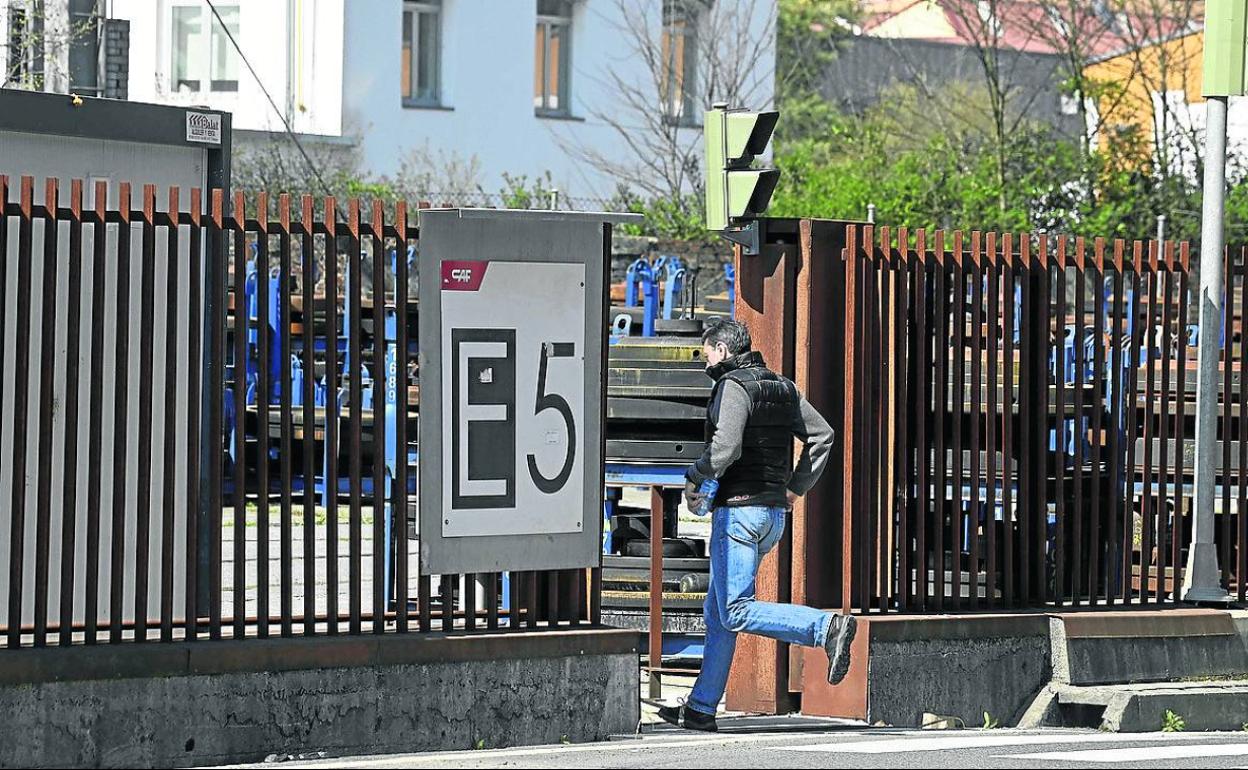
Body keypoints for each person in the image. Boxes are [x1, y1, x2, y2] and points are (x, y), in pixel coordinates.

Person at [657, 318, 855, 733]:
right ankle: (700, 708)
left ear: (724, 352)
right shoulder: (784, 387)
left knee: (734, 609)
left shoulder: (734, 386)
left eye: (707, 352)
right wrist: (796, 488)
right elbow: (823, 435)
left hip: (739, 514)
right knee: (718, 614)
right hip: (772, 516)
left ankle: (825, 628)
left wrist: (695, 476)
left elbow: (725, 448)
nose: (706, 361)